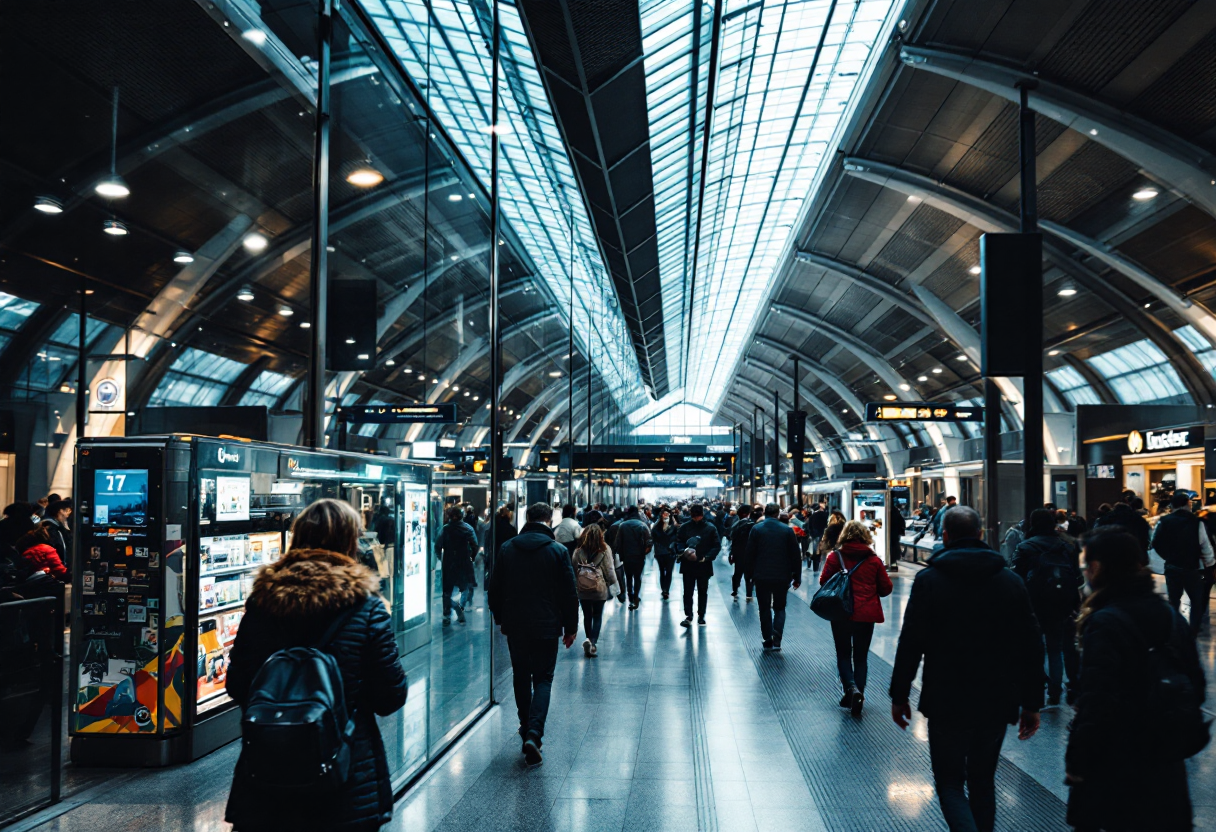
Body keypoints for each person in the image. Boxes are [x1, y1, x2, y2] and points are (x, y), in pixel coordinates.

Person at [225, 498, 407, 832]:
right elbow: (390, 697)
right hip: (343, 775)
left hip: (268, 771)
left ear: (297, 539)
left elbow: (236, 685)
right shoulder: (367, 608)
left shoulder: (263, 601)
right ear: (350, 542)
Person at [889, 506, 1044, 832]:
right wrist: (1032, 703)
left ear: (944, 537)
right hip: (997, 697)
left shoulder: (929, 581)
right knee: (983, 781)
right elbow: (1032, 645)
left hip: (946, 697)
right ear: (980, 535)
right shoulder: (1010, 582)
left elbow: (911, 641)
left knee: (949, 783)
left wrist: (899, 694)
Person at [1065, 527, 1205, 832]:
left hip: (1118, 769)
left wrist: (1077, 762)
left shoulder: (1103, 622)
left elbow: (1096, 702)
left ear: (1099, 567)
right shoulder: (1170, 615)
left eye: (1087, 565)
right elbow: (1196, 686)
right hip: (1166, 767)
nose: (1085, 572)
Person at [488, 503, 578, 766]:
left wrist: (500, 617)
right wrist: (571, 627)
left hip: (516, 626)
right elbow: (568, 593)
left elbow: (494, 589)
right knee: (543, 679)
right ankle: (534, 734)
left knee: (520, 676)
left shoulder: (507, 548)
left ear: (527, 518)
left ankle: (526, 726)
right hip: (547, 626)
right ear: (549, 520)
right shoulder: (558, 551)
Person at [820, 521, 891, 714]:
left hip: (841, 612)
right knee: (860, 657)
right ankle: (859, 692)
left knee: (843, 654)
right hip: (866, 614)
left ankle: (850, 688)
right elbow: (886, 589)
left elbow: (824, 581)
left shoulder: (835, 556)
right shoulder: (874, 560)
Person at [1013, 509, 1082, 706]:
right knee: (1055, 648)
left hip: (1032, 604)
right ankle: (1055, 689)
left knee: (1032, 648)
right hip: (1061, 603)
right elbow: (1077, 577)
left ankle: (1036, 686)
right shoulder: (1067, 545)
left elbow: (1016, 576)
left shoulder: (1025, 546)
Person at [1150, 491, 1215, 637]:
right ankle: (1193, 630)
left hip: (1172, 566)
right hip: (1192, 567)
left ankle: (1174, 629)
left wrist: (1168, 557)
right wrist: (1210, 564)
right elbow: (1205, 544)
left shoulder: (1164, 520)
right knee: (1196, 601)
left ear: (1172, 505)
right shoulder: (1196, 521)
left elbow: (1155, 542)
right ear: (1187, 504)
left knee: (1173, 600)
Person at [746, 504, 801, 650]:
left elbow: (750, 554)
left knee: (764, 607)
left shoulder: (756, 529)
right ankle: (777, 638)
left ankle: (767, 638)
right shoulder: (787, 531)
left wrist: (750, 575)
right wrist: (797, 576)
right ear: (777, 514)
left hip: (761, 575)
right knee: (780, 607)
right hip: (782, 575)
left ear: (765, 513)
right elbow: (795, 555)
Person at [571, 524, 615, 658]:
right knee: (597, 615)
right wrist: (610, 583)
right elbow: (609, 569)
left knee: (587, 615)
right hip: (599, 587)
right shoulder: (605, 549)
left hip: (583, 587)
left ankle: (588, 638)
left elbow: (573, 567)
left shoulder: (578, 550)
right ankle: (593, 643)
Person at [677, 504, 720, 628]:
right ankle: (689, 615)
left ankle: (701, 615)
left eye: (698, 516)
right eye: (694, 516)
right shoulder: (685, 527)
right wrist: (683, 552)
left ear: (702, 515)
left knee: (703, 591)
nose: (696, 519)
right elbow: (679, 541)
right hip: (688, 564)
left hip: (704, 564)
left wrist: (706, 557)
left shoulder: (710, 528)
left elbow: (716, 546)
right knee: (688, 591)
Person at [438, 506, 478, 626]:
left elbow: (437, 546)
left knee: (447, 591)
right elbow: (475, 545)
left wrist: (442, 558)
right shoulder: (467, 528)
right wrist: (471, 557)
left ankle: (447, 614)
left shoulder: (445, 529)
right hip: (464, 562)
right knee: (465, 587)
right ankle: (460, 608)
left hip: (449, 562)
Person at [614, 505, 652, 609]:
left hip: (626, 556)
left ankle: (630, 597)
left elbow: (617, 543)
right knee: (638, 577)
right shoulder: (643, 525)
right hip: (639, 556)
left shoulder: (622, 526)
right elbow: (649, 542)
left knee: (628, 577)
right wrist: (643, 553)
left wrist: (621, 554)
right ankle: (636, 596)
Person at [1092, 495, 1150, 561]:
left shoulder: (1105, 519)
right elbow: (1145, 538)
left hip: (1111, 555)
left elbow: (1096, 536)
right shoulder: (1139, 519)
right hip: (1133, 555)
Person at [728, 505, 758, 600]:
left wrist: (731, 553)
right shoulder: (753, 525)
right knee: (749, 574)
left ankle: (735, 590)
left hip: (738, 553)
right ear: (748, 514)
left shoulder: (735, 525)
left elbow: (732, 539)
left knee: (737, 572)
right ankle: (749, 594)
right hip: (750, 553)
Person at [651, 507, 679, 600]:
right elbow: (654, 539)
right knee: (662, 571)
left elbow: (676, 539)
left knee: (669, 571)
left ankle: (666, 590)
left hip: (670, 552)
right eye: (664, 514)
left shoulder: (673, 527)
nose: (666, 515)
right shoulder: (656, 527)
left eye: (667, 514)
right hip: (660, 553)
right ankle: (664, 589)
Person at [42, 499, 73, 564]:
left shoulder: (52, 526)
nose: (68, 515)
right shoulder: (53, 528)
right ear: (61, 511)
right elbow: (63, 546)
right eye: (67, 511)